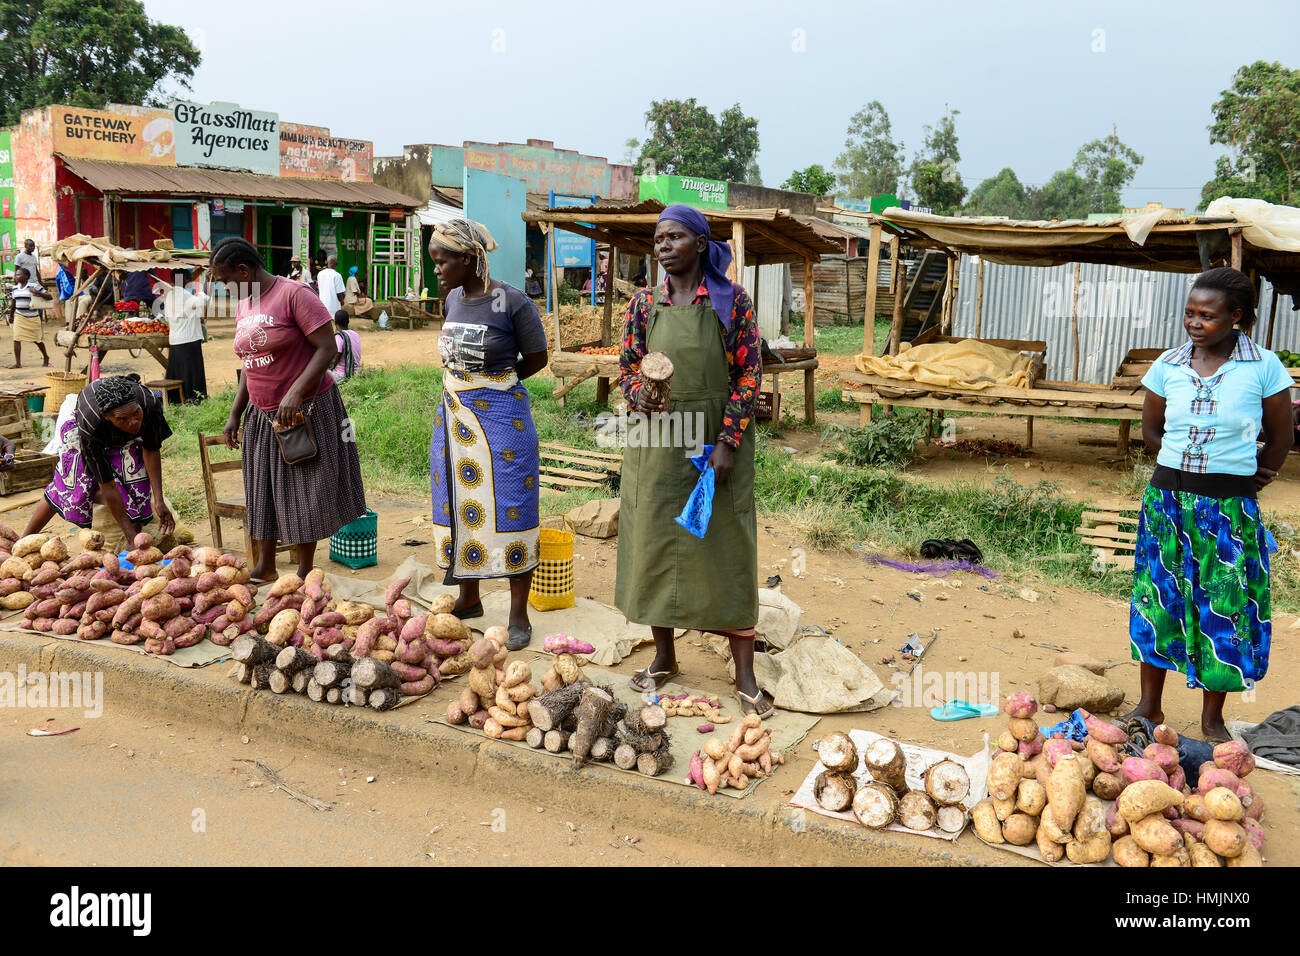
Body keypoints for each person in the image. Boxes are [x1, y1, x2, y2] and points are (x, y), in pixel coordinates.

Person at [1126, 267, 1293, 742]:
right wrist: (1177, 464)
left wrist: (1256, 476)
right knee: (1159, 599)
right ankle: (1149, 707)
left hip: (1229, 509)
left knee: (1224, 606)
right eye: (1190, 313)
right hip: (1167, 502)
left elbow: (1282, 436)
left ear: (1236, 316)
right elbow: (1152, 430)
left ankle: (1212, 720)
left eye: (1208, 315)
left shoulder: (1263, 366)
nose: (1195, 323)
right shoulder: (1169, 364)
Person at [616, 205, 768, 717]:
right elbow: (627, 367)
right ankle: (664, 657)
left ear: (701, 244)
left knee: (726, 545)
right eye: (658, 238)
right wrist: (641, 394)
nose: (662, 245)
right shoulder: (643, 304)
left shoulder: (732, 303)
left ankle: (744, 673)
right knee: (656, 540)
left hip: (712, 442)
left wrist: (728, 440)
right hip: (656, 441)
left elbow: (750, 375)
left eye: (675, 236)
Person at [212, 237, 366, 582]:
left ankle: (303, 571)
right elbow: (249, 365)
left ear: (243, 269)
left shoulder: (294, 294)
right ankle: (266, 566)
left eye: (225, 280)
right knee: (261, 487)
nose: (224, 288)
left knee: (303, 487)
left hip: (306, 409)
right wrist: (236, 413)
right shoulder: (245, 303)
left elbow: (328, 348)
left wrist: (296, 392)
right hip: (261, 412)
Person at [428, 218, 548, 650]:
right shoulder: (452, 299)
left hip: (502, 421)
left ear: (467, 259)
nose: (437, 271)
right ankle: (469, 597)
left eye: (442, 262)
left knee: (512, 506)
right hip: (454, 419)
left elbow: (536, 358)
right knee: (460, 502)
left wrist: (495, 383)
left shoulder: (512, 302)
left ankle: (518, 614)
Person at [22, 376, 175, 543]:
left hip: (119, 429)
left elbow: (151, 450)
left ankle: (133, 536)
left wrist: (159, 501)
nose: (133, 422)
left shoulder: (148, 405)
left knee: (135, 476)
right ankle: (22, 541)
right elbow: (107, 484)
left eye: (136, 413)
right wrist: (130, 537)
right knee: (72, 482)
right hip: (79, 429)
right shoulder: (91, 425)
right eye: (123, 419)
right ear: (106, 416)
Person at [159, 267, 210, 402]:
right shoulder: (183, 294)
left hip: (176, 339)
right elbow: (201, 300)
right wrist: (207, 282)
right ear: (184, 280)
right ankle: (193, 398)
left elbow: (174, 315)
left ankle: (177, 398)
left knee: (179, 371)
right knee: (191, 372)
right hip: (188, 339)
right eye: (189, 278)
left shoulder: (170, 294)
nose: (191, 281)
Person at [8, 266, 51, 368]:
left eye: (19, 274)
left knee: (37, 340)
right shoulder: (14, 288)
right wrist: (11, 315)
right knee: (16, 338)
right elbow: (13, 302)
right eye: (16, 274)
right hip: (19, 316)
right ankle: (18, 363)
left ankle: (46, 357)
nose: (16, 276)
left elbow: (49, 296)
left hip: (33, 317)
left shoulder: (34, 286)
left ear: (26, 276)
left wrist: (37, 292)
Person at [332, 309, 361, 381]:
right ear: (348, 321)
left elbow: (335, 360)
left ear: (335, 323)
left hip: (342, 375)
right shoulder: (356, 334)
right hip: (356, 372)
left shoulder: (339, 337)